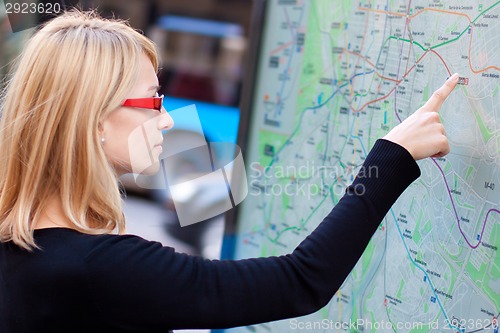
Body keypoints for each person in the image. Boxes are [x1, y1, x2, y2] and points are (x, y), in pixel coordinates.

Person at [0, 10, 459, 333]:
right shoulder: (101, 269)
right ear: (95, 119)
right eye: (154, 100)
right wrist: (392, 155)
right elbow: (300, 281)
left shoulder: (24, 250)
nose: (167, 119)